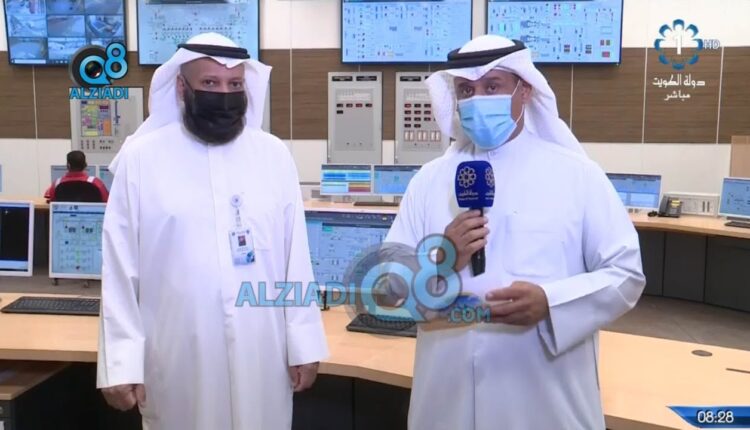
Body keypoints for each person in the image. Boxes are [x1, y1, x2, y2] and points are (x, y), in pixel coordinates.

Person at [384, 35, 646, 429]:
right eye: (466, 90)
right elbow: (389, 285)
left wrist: (551, 303)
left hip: (543, 401)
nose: (478, 99)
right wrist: (440, 258)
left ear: (524, 91)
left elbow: (626, 274)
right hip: (447, 400)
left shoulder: (577, 175)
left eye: (493, 87)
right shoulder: (429, 181)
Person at [97, 33, 329, 429]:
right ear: (182, 88)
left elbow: (295, 259)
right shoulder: (142, 160)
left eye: (234, 84)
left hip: (263, 353)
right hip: (177, 355)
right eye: (210, 82)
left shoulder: (273, 156)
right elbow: (120, 270)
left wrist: (304, 342)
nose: (224, 94)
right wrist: (120, 363)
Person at [44, 150, 108, 202]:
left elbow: (51, 199)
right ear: (85, 165)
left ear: (68, 165)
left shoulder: (57, 183)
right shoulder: (96, 183)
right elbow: (106, 200)